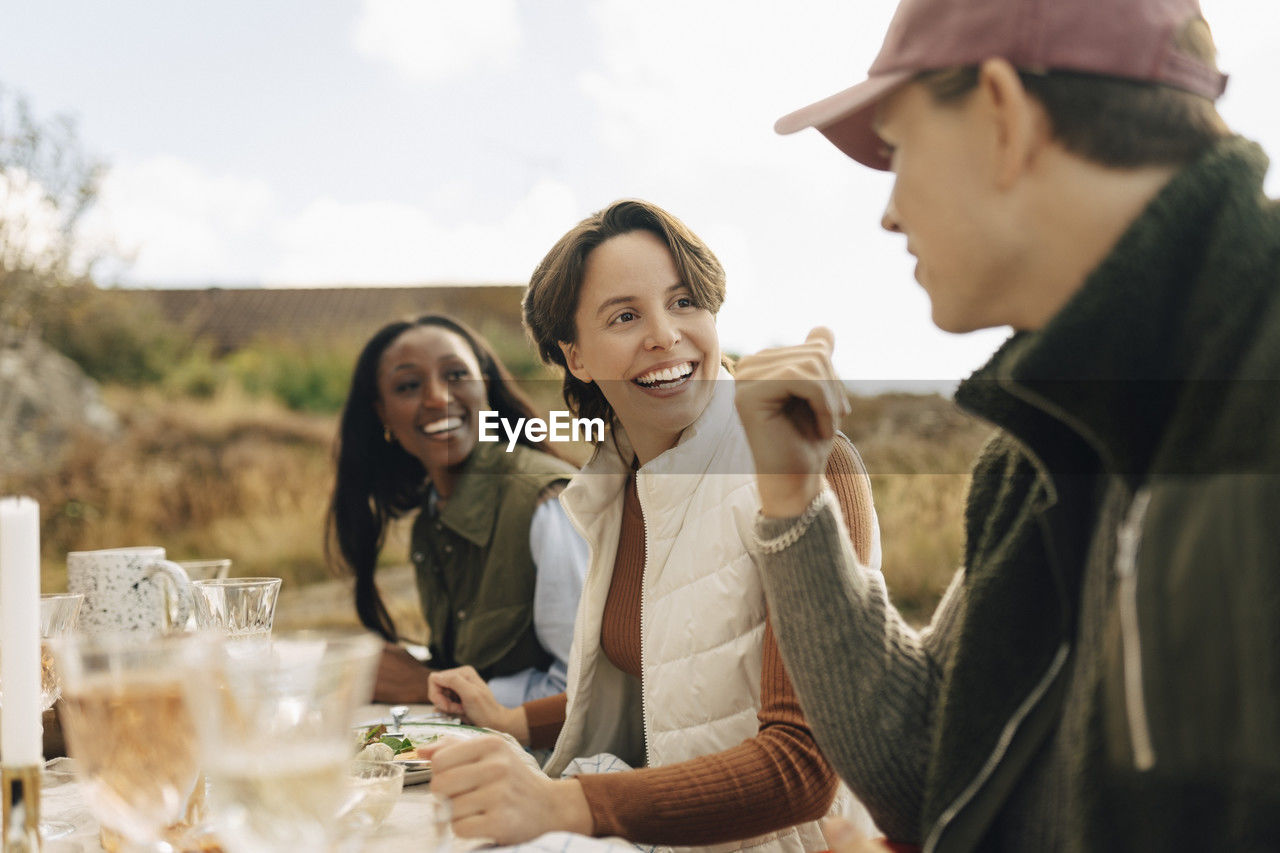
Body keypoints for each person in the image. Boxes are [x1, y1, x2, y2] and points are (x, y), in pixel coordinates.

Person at [733, 0, 1280, 850]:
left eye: (900, 149)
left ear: (1001, 113)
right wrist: (795, 499)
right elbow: (938, 773)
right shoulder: (1038, 442)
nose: (888, 213)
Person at [421, 199, 881, 849]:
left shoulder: (809, 462)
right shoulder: (617, 486)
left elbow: (804, 766)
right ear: (575, 355)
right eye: (626, 315)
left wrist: (565, 803)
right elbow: (677, 680)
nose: (665, 333)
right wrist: (512, 720)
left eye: (685, 301)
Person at [326, 314, 587, 706]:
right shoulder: (432, 518)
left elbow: (586, 691)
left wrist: (427, 686)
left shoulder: (546, 506)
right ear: (383, 414)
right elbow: (474, 665)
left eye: (456, 375)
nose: (436, 397)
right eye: (409, 385)